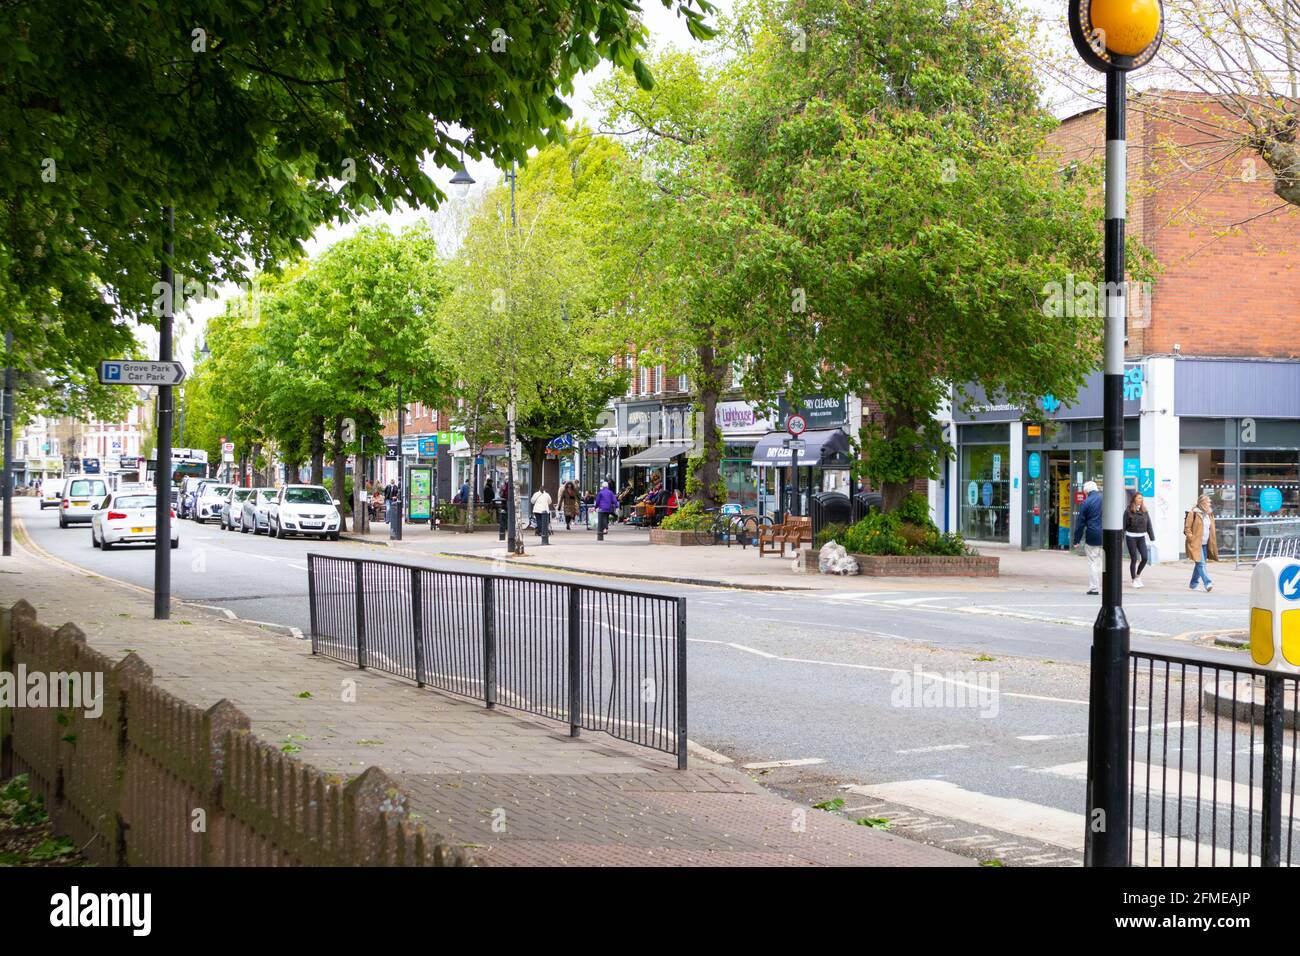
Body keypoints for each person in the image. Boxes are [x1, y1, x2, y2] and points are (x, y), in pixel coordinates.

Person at [1073, 480, 1103, 595]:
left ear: (1086, 491)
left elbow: (1080, 523)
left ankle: (1094, 587)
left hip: (1093, 536)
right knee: (1104, 562)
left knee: (1093, 562)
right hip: (1108, 535)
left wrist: (1076, 540)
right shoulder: (1105, 499)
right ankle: (1109, 586)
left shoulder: (1086, 503)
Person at [1185, 494, 1218, 592]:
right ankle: (1208, 583)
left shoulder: (1209, 514)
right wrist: (1191, 538)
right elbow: (1187, 528)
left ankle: (1193, 584)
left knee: (1199, 564)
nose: (1210, 504)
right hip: (1196, 543)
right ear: (1203, 503)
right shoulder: (1193, 513)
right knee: (1201, 564)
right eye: (1208, 502)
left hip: (1205, 543)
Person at [1124, 492, 1155, 588]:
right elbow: (1123, 525)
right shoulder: (1128, 511)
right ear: (1134, 499)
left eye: (1141, 498)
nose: (1140, 500)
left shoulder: (1145, 511)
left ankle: (1138, 576)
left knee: (1145, 558)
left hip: (1141, 537)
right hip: (1131, 537)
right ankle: (1133, 579)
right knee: (1134, 559)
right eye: (1138, 498)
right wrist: (1119, 539)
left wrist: (1152, 537)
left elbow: (1149, 524)